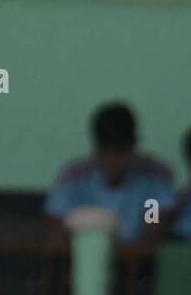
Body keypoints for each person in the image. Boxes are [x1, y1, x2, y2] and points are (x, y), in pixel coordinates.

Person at [44, 102, 174, 245]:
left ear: (134, 145)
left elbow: (153, 223)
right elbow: (57, 226)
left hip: (139, 262)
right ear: (96, 148)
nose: (113, 161)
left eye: (120, 152)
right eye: (105, 152)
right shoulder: (74, 179)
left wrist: (131, 258)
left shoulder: (153, 179)